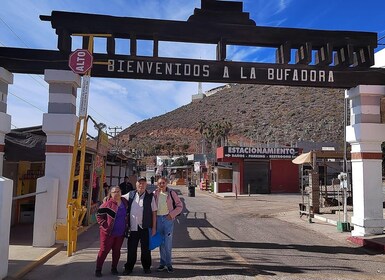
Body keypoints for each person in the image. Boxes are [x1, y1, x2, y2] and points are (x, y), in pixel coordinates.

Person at [122, 177, 157, 275]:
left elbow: (154, 212)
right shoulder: (131, 194)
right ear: (136, 184)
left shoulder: (150, 196)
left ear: (146, 185)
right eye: (139, 183)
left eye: (143, 183)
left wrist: (154, 227)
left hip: (145, 227)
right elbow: (119, 197)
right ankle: (129, 267)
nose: (141, 185)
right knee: (131, 249)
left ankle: (146, 267)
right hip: (133, 228)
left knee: (146, 249)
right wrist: (108, 197)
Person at [95, 186, 128, 277]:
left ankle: (114, 268)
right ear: (111, 194)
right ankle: (98, 269)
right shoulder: (107, 204)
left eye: (118, 191)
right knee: (104, 250)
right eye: (114, 192)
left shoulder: (125, 202)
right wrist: (105, 225)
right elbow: (98, 216)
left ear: (121, 192)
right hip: (108, 233)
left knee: (117, 251)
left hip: (120, 233)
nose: (116, 193)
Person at [153, 177, 183, 273]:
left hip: (167, 220)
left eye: (163, 183)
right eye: (159, 183)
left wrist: (171, 214)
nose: (161, 185)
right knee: (161, 242)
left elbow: (179, 206)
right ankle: (162, 264)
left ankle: (169, 264)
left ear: (166, 183)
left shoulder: (171, 193)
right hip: (158, 219)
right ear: (157, 185)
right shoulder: (155, 194)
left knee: (168, 243)